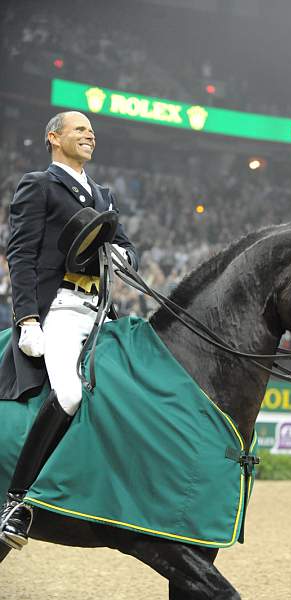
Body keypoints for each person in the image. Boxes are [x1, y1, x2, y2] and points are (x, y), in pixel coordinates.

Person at [0, 111, 138, 549]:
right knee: (73, 394)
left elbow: (128, 249)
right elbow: (20, 254)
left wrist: (121, 256)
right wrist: (25, 319)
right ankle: (16, 503)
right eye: (80, 129)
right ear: (53, 137)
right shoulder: (39, 185)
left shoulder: (103, 194)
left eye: (92, 130)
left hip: (99, 312)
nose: (89, 135)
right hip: (58, 308)